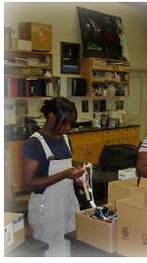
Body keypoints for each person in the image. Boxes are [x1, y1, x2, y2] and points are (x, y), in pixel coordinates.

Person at [22, 97, 85, 256]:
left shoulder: (66, 140)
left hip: (67, 203)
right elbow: (28, 183)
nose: (68, 127)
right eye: (65, 123)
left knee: (70, 245)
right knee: (51, 250)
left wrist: (77, 178)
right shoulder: (34, 144)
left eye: (71, 123)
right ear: (51, 117)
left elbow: (66, 173)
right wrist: (64, 174)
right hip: (46, 208)